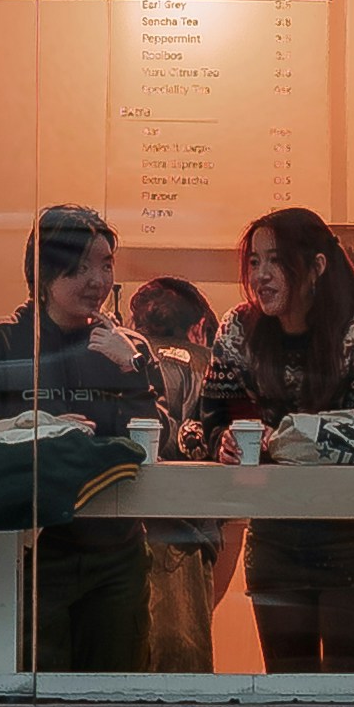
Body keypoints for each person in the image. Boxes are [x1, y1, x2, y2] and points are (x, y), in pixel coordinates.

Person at [0, 203, 156, 673]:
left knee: (115, 700)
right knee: (27, 698)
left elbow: (158, 447)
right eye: (80, 267)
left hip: (117, 553)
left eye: (105, 265)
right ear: (43, 272)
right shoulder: (0, 343)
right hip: (34, 552)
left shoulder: (128, 347)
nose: (97, 281)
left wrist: (132, 368)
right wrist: (37, 429)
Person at [200, 207, 354, 672]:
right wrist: (221, 442)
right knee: (288, 690)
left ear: (317, 267)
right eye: (254, 262)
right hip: (276, 532)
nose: (261, 276)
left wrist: (278, 442)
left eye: (276, 261)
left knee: (350, 695)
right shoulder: (238, 329)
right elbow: (205, 420)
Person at [126, 268, 233, 677]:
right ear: (200, 327)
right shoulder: (211, 366)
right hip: (184, 538)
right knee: (178, 677)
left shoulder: (124, 363)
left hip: (118, 537)